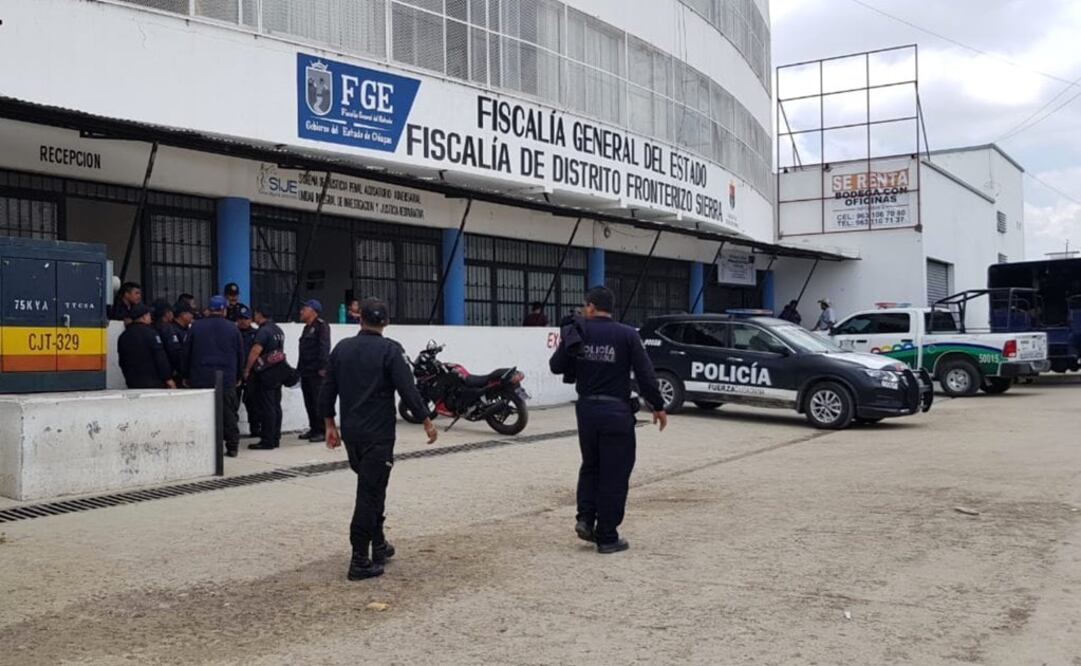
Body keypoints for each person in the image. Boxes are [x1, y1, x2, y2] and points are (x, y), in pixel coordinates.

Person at [319, 297, 438, 581]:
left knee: (374, 487)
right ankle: (360, 560)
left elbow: (327, 390)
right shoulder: (390, 351)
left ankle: (379, 543)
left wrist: (329, 425)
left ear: (359, 319)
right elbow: (407, 389)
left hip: (352, 434)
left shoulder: (342, 349)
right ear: (385, 322)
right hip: (379, 435)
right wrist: (426, 419)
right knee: (369, 494)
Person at [549, 286, 667, 555]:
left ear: (590, 306)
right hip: (617, 413)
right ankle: (607, 536)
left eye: (584, 307)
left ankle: (585, 519)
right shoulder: (627, 335)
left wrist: (569, 339)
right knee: (614, 473)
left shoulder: (577, 330)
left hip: (587, 411)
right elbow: (645, 374)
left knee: (591, 466)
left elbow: (556, 367)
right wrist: (658, 406)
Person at [183, 295, 245, 457]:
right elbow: (240, 354)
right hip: (225, 378)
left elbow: (187, 353)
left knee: (202, 413)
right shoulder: (233, 328)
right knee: (228, 414)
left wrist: (186, 375)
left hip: (200, 377)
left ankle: (201, 446)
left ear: (209, 309)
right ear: (223, 310)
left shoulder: (195, 327)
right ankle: (232, 446)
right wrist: (239, 375)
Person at [244, 305, 286, 451]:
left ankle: (267, 440)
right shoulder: (278, 330)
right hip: (278, 372)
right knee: (275, 405)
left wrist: (247, 370)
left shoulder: (263, 331)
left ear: (260, 314)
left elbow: (256, 351)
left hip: (265, 373)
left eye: (255, 314)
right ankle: (275, 437)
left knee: (267, 406)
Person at [117, 304, 176, 389]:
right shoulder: (151, 333)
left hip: (132, 381)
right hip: (153, 381)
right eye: (148, 315)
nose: (150, 318)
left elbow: (122, 361)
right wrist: (168, 378)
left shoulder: (123, 336)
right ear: (144, 317)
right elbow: (160, 358)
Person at [298, 299, 331, 443]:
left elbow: (324, 347)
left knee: (318, 401)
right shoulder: (306, 328)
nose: (301, 311)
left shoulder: (321, 326)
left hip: (317, 371)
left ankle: (322, 430)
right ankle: (314, 428)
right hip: (306, 371)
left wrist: (323, 367)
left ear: (312, 311)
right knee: (309, 401)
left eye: (304, 308)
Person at [236, 305, 263, 440]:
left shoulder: (256, 333)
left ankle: (255, 428)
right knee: (233, 403)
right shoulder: (233, 332)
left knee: (253, 402)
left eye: (245, 318)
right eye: (240, 318)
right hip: (235, 373)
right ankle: (231, 430)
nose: (243, 321)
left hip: (251, 373)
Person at [151, 299, 183, 377]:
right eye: (171, 312)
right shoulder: (167, 328)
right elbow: (174, 352)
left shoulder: (151, 327)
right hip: (169, 371)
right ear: (166, 313)